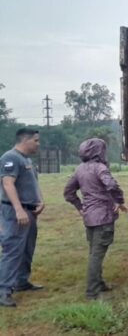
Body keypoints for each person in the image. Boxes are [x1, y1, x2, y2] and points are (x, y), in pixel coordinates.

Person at [63, 138, 127, 300]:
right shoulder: (100, 168)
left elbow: (68, 192)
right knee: (96, 255)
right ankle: (92, 292)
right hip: (103, 217)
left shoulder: (79, 169)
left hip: (89, 217)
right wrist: (120, 201)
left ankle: (99, 283)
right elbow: (111, 185)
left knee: (94, 251)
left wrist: (80, 207)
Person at [0, 128, 45, 308]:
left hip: (30, 210)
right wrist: (18, 210)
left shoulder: (26, 160)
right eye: (36, 140)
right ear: (25, 140)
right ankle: (3, 290)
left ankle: (21, 281)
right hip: (16, 212)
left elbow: (33, 182)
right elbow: (8, 183)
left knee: (27, 248)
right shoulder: (10, 157)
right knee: (13, 250)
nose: (38, 144)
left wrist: (40, 200)